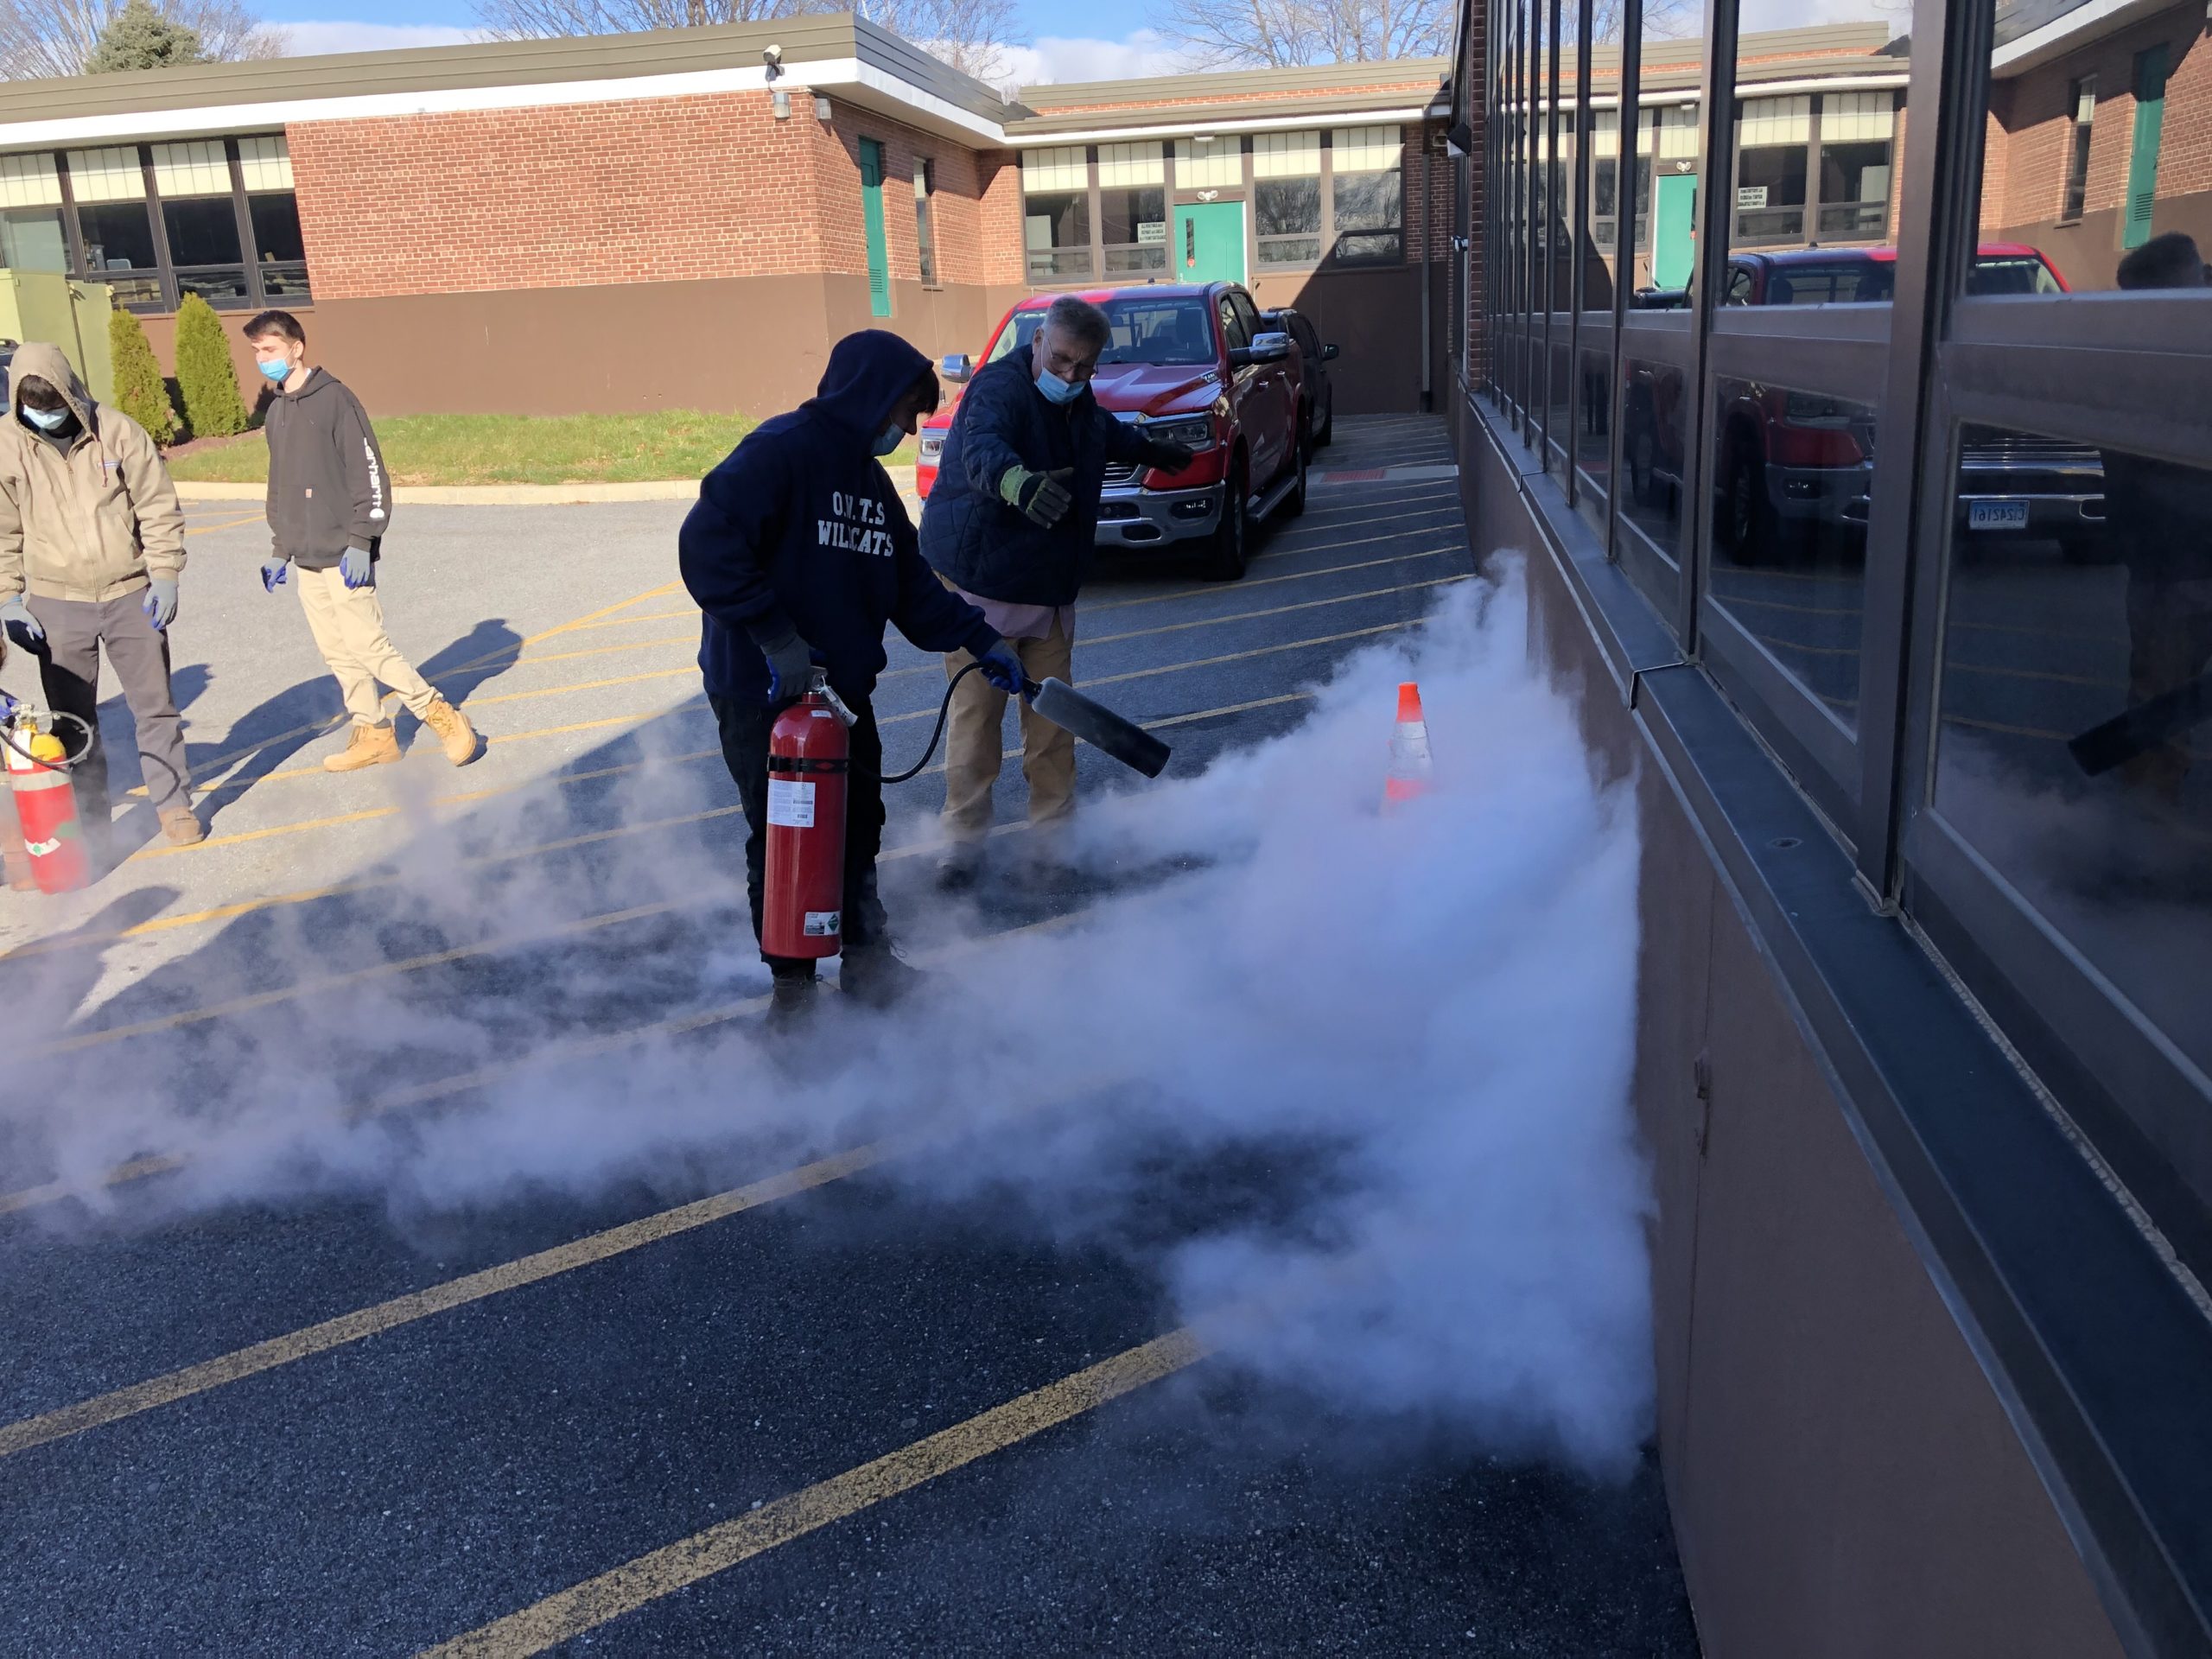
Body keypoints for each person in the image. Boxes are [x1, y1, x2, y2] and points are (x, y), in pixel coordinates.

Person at [679, 328, 1026, 1016]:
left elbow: (910, 585)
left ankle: (867, 961)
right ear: (866, 395)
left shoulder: (869, 486)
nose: (904, 430)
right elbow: (707, 541)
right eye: (903, 413)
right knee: (786, 838)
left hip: (838, 696)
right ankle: (793, 991)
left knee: (858, 823)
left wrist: (983, 640)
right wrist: (776, 636)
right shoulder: (781, 453)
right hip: (763, 692)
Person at [918, 295, 1192, 887]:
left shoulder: (1077, 398)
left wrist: (1151, 451)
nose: (1071, 376)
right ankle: (961, 848)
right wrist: (1018, 483)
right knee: (975, 724)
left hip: (1045, 590)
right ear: (1038, 341)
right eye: (1063, 360)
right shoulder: (999, 389)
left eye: (1085, 367)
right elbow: (983, 448)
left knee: (1052, 727)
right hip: (979, 588)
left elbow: (1099, 432)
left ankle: (1054, 845)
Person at [245, 309, 477, 772]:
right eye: (256, 352)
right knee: (338, 652)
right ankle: (373, 732)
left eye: (269, 349)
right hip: (307, 557)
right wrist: (279, 549)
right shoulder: (277, 412)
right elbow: (280, 487)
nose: (262, 359)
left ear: (296, 348)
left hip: (343, 552)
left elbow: (369, 473)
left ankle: (441, 715)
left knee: (370, 646)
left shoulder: (335, 400)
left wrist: (361, 539)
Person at [0, 343, 200, 860]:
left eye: (53, 405)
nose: (45, 415)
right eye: (33, 407)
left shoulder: (117, 431)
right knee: (73, 720)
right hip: (55, 602)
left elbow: (157, 506)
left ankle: (174, 804)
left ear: (71, 393)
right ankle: (92, 819)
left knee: (155, 707)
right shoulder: (5, 445)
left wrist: (165, 575)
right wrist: (8, 600)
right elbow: (3, 533)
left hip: (130, 592)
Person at [2103, 232, 2212, 809]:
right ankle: (2145, 837)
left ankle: (2145, 836)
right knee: (2159, 701)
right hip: (2170, 563)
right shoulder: (2140, 348)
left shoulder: (2144, 348)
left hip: (2172, 564)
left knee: (2159, 700)